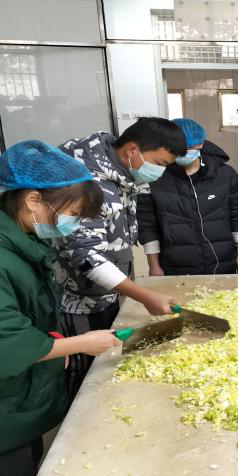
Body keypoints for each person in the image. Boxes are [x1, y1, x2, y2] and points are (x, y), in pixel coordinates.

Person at [0, 141, 121, 476]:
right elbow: (6, 342)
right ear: (33, 200)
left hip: (22, 393)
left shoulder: (23, 237)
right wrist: (78, 344)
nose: (74, 224)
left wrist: (54, 343)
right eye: (73, 214)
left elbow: (25, 308)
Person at [53, 117, 187, 397]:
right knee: (85, 371)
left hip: (108, 289)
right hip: (80, 300)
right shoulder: (87, 183)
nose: (160, 171)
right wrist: (144, 296)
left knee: (107, 356)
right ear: (132, 150)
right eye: (159, 163)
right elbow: (86, 255)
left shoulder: (120, 171)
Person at [137, 118, 238, 276]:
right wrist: (153, 265)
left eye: (189, 148)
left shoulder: (225, 175)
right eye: (179, 149)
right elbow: (147, 225)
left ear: (200, 144)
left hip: (222, 261)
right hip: (175, 266)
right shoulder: (155, 179)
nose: (184, 153)